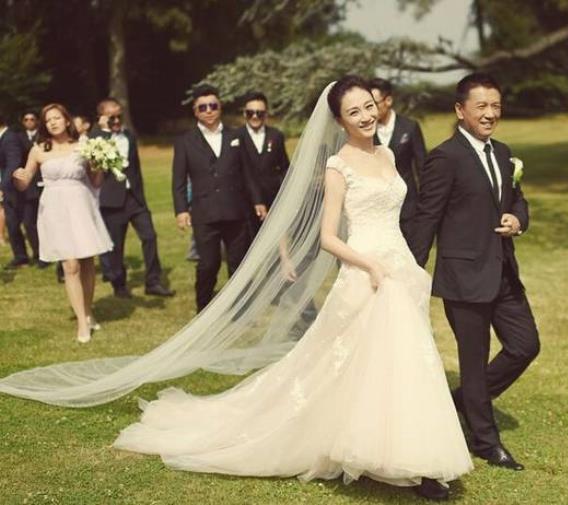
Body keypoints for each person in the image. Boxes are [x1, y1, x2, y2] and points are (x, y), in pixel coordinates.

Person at [114, 76, 471, 501]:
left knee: (406, 359)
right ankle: (373, 451)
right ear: (340, 121)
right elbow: (328, 238)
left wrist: (399, 262)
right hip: (366, 271)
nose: (365, 116)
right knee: (356, 363)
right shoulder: (338, 166)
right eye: (353, 112)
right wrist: (370, 264)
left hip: (398, 265)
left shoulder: (389, 154)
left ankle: (409, 453)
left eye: (368, 106)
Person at [409, 73, 540, 471]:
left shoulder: (503, 153)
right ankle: (486, 442)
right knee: (474, 359)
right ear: (460, 110)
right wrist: (410, 269)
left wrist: (518, 220)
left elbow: (517, 200)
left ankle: (462, 401)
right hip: (464, 278)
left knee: (525, 345)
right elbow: (427, 217)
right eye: (481, 106)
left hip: (503, 273)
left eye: (495, 106)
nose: (489, 114)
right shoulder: (445, 158)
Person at [12, 103, 113, 342]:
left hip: (80, 205)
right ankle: (81, 323)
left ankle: (88, 311)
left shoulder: (83, 145)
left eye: (57, 118)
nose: (53, 123)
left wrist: (99, 165)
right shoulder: (38, 150)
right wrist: (18, 177)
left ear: (67, 121)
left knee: (86, 262)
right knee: (70, 265)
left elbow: (96, 181)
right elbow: (24, 182)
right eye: (48, 120)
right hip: (54, 209)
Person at [172, 85, 267, 312]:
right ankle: (203, 308)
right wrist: (181, 210)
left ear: (220, 107)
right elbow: (178, 179)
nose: (208, 111)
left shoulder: (237, 136)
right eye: (203, 107)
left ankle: (239, 309)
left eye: (213, 106)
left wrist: (258, 201)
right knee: (208, 264)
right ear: (195, 111)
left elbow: (248, 173)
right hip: (204, 213)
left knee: (238, 262)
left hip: (235, 211)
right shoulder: (185, 141)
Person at [92, 97, 173, 298]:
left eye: (119, 116)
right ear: (101, 118)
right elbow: (94, 156)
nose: (116, 121)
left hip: (135, 198)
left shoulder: (129, 136)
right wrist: (104, 130)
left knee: (149, 237)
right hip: (112, 200)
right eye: (111, 117)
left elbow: (135, 169)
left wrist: (140, 196)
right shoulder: (96, 137)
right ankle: (119, 284)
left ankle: (153, 282)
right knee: (116, 246)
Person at [369, 78, 427, 240]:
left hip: (408, 207)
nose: (371, 110)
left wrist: (424, 205)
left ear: (388, 100)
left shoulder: (410, 127)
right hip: (378, 209)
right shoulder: (366, 131)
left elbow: (423, 167)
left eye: (374, 104)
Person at [234, 91, 290, 235]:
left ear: (266, 114)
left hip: (273, 199)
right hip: (244, 202)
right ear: (244, 114)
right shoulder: (235, 137)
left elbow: (284, 167)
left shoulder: (276, 136)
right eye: (250, 113)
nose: (254, 117)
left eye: (259, 113)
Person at [1, 112, 32, 269]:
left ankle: (30, 256)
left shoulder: (10, 138)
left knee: (23, 223)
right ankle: (21, 256)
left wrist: (3, 186)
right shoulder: (5, 137)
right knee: (12, 223)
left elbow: (14, 164)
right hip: (10, 187)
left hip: (15, 187)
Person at [18, 111, 46, 268]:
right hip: (29, 187)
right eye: (26, 119)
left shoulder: (44, 136)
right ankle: (37, 252)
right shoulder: (19, 138)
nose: (29, 122)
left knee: (45, 222)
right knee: (28, 222)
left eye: (32, 119)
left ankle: (47, 253)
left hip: (45, 184)